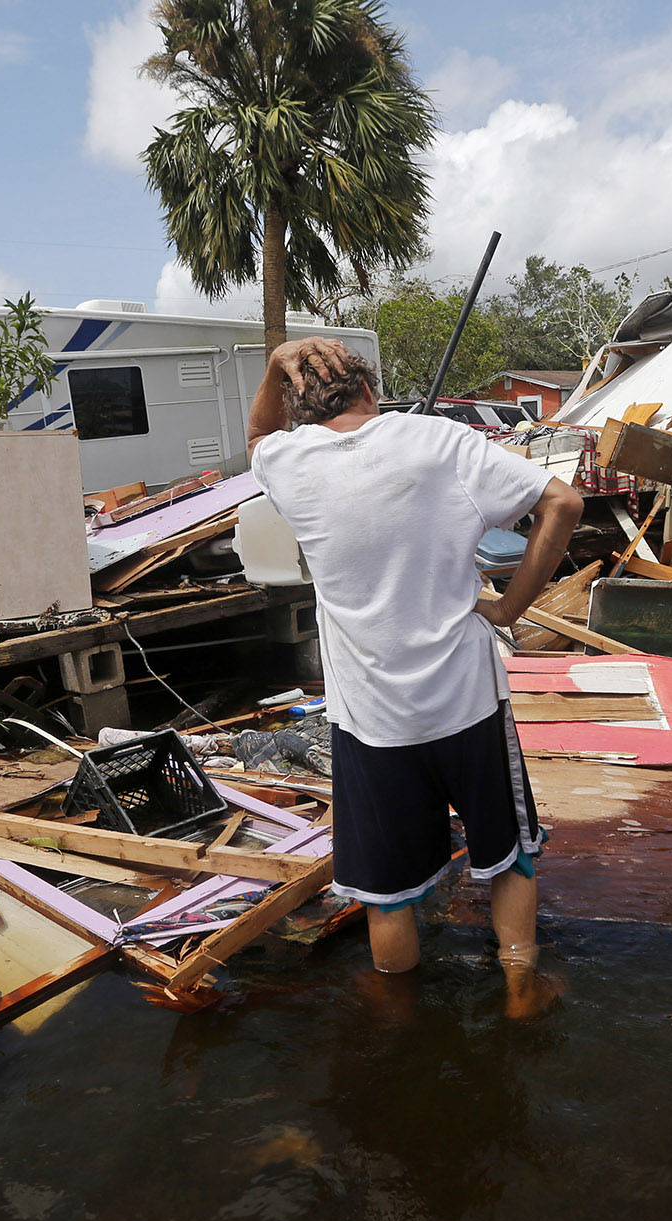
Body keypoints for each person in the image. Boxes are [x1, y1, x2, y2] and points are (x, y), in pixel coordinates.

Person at [247, 337, 583, 1016]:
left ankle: (401, 1029)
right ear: (371, 389)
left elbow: (258, 431)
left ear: (301, 407)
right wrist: (512, 605)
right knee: (510, 856)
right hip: (467, 701)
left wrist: (276, 361)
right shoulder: (441, 441)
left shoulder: (287, 461)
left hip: (372, 721)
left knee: (389, 894)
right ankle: (521, 987)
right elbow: (565, 502)